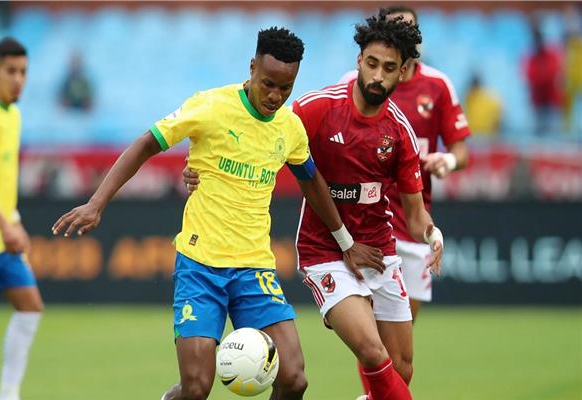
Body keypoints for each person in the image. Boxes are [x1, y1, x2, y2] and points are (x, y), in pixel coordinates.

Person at [51, 27, 383, 400]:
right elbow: (146, 144)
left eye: (285, 88)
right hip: (200, 265)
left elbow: (312, 181)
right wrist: (97, 203)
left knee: (294, 378)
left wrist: (345, 241)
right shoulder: (210, 106)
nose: (275, 96)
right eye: (268, 84)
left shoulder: (289, 127)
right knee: (196, 389)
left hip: (254, 269)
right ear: (252, 67)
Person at [183, 10, 444, 400]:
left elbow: (415, 212)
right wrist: (202, 170)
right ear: (359, 60)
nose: (377, 75)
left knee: (401, 367)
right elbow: (261, 136)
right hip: (325, 252)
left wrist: (432, 233)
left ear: (403, 72)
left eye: (389, 68)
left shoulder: (399, 132)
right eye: (372, 63)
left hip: (379, 252)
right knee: (373, 353)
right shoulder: (319, 108)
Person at [339, 5, 469, 323]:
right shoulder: (356, 83)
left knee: (402, 329)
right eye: (395, 29)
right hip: (364, 223)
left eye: (410, 30)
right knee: (368, 334)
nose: (402, 36)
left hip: (413, 221)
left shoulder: (437, 85)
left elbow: (461, 151)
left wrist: (448, 160)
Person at [0, 37, 44, 400]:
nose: (18, 79)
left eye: (23, 72)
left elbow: (2, 179)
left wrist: (14, 221)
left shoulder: (14, 115)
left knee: (30, 307)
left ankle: (8, 394)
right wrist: (5, 225)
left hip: (3, 235)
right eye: (11, 71)